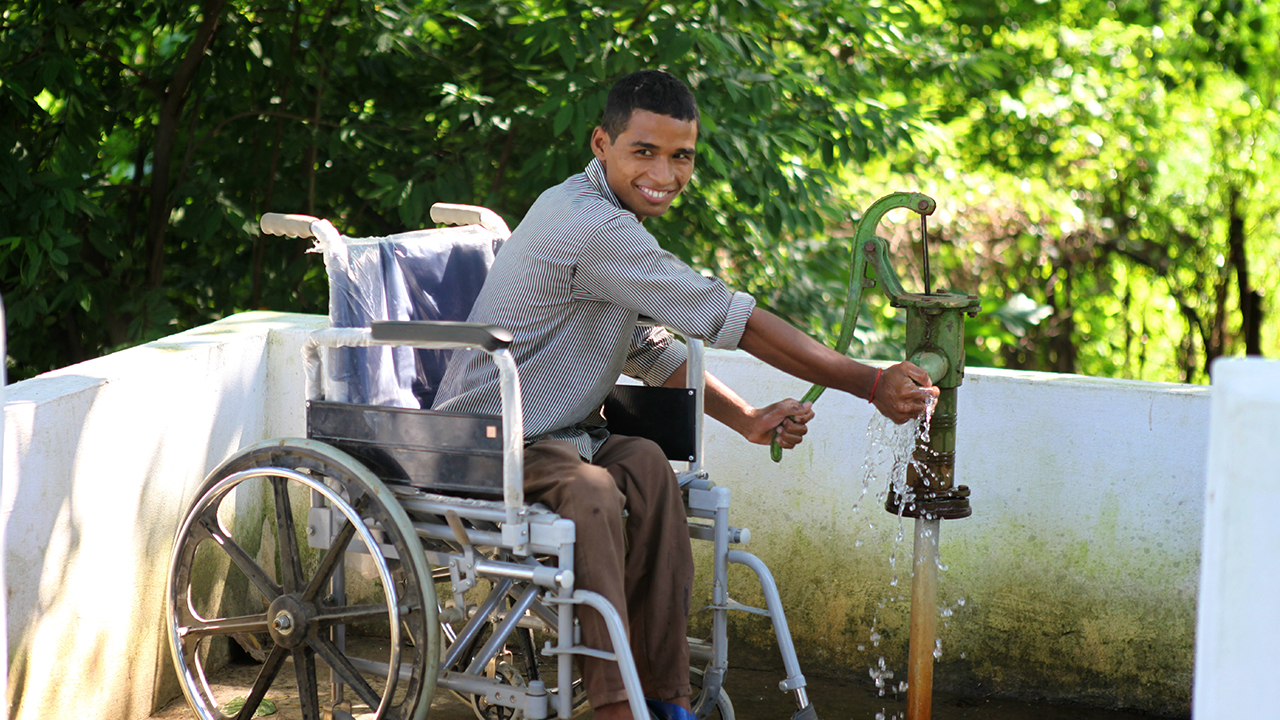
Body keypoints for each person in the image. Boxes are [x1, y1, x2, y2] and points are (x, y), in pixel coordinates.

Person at [433, 69, 938, 720]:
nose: (665, 174)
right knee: (591, 491)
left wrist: (750, 419)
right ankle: (616, 705)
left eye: (682, 157)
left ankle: (665, 696)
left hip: (563, 434)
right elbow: (733, 319)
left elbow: (651, 350)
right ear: (601, 144)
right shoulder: (592, 228)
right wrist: (867, 382)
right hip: (492, 437)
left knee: (646, 466)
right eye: (644, 151)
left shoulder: (609, 222)